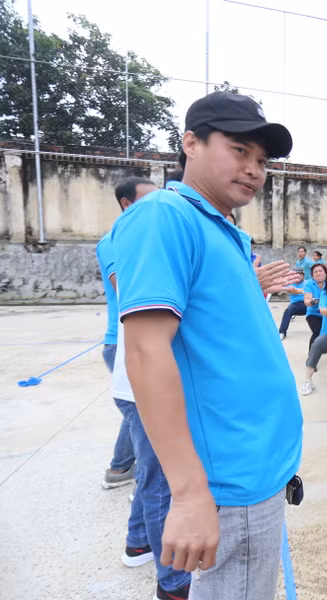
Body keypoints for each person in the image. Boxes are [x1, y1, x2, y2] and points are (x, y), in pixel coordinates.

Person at [111, 91, 303, 600]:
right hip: (228, 481)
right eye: (239, 150)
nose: (254, 169)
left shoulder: (220, 228)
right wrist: (190, 492)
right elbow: (146, 351)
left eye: (262, 160)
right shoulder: (165, 217)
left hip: (257, 468)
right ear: (191, 144)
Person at [111, 281, 192, 600]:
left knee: (150, 477)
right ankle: (173, 582)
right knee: (160, 486)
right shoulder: (147, 259)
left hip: (138, 389)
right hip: (146, 391)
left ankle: (139, 541)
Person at [97, 177, 156, 490]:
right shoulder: (113, 241)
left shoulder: (143, 240)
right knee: (142, 413)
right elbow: (125, 288)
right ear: (126, 204)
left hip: (137, 338)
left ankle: (120, 467)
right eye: (149, 201)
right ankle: (144, 483)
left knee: (138, 410)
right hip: (121, 342)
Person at [303, 263, 327, 348]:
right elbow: (307, 300)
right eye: (315, 272)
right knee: (317, 332)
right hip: (313, 314)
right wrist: (316, 301)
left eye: (320, 271)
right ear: (312, 275)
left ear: (325, 273)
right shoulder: (309, 284)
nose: (318, 273)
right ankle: (311, 354)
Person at [278, 270, 308, 340]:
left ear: (303, 276)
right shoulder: (290, 284)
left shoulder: (307, 283)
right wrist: (300, 291)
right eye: (296, 275)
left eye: (300, 275)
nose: (298, 276)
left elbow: (308, 291)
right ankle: (282, 332)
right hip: (295, 305)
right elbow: (290, 290)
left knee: (319, 308)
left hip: (307, 303)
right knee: (288, 311)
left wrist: (298, 291)